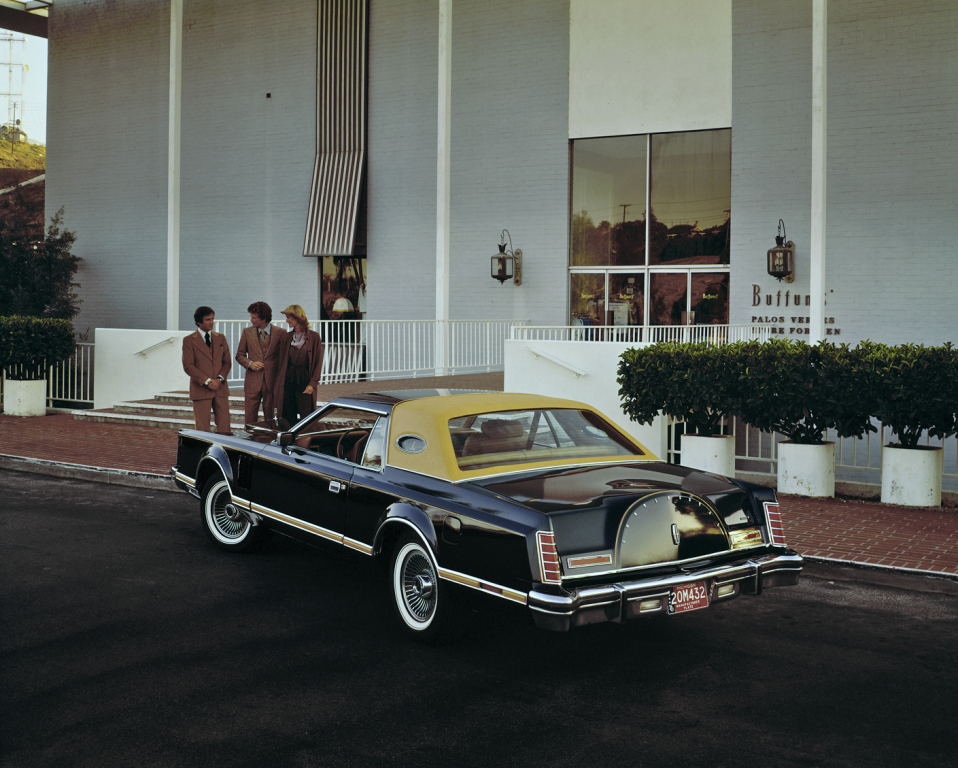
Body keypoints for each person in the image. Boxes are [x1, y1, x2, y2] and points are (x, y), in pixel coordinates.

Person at [182, 305, 232, 434]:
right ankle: (203, 453)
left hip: (220, 388)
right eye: (208, 320)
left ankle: (224, 452)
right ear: (199, 322)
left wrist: (219, 380)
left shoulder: (221, 338)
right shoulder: (189, 340)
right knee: (202, 429)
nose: (211, 322)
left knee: (225, 427)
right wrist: (208, 381)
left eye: (212, 319)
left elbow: (227, 362)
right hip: (201, 389)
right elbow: (188, 366)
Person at [274, 304, 324, 426]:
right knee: (287, 418)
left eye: (288, 317)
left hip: (305, 380)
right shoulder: (286, 337)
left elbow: (318, 362)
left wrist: (312, 384)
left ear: (297, 317)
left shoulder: (314, 337)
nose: (286, 320)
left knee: (306, 419)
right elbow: (280, 362)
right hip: (288, 381)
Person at [235, 301, 283, 425]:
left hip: (272, 383)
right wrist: (250, 363)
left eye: (253, 317)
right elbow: (239, 355)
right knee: (250, 419)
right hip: (252, 382)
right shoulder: (247, 332)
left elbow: (284, 358)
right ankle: (250, 441)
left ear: (263, 318)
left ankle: (271, 442)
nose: (251, 320)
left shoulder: (281, 333)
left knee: (271, 418)